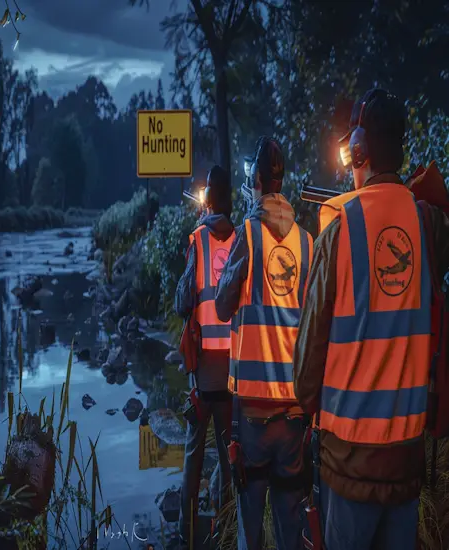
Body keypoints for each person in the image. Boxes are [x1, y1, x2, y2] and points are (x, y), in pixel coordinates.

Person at [293, 88, 449, 550]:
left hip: (348, 467)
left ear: (358, 151)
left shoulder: (339, 229)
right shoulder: (428, 225)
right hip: (405, 462)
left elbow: (306, 372)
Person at [215, 137, 313, 550]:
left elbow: (222, 307)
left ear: (255, 181)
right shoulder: (308, 244)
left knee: (250, 531)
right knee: (292, 528)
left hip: (254, 416)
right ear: (283, 181)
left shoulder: (247, 237)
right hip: (295, 413)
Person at [175, 164, 235, 549]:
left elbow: (183, 302)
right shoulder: (244, 237)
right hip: (234, 371)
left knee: (194, 455)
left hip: (202, 375)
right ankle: (229, 526)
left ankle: (187, 531)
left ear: (208, 198)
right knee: (231, 456)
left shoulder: (198, 239)